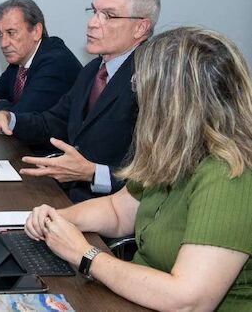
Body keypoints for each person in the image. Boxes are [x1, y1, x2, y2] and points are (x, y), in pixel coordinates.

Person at [24, 27, 252, 311]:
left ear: (174, 101)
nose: (137, 97)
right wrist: (57, 218)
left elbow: (189, 301)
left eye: (140, 86)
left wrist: (85, 255)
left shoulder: (229, 174)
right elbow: (118, 211)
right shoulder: (173, 151)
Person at [0, 0, 160, 202]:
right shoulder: (92, 71)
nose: (92, 23)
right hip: (69, 195)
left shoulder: (154, 80)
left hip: (114, 210)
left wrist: (93, 173)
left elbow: (159, 176)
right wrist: (9, 119)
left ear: (140, 27)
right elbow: (53, 121)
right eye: (94, 12)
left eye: (108, 15)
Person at [0, 0, 82, 125]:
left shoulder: (54, 62)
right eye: (0, 34)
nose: (3, 44)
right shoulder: (20, 60)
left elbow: (21, 117)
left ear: (36, 32)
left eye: (11, 33)